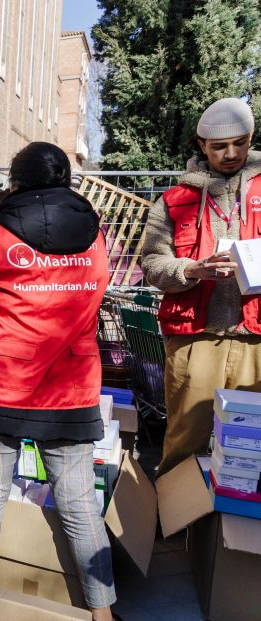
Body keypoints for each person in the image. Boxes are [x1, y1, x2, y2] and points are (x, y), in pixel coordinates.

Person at [0, 142, 115, 620]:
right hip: (69, 384)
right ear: (66, 183)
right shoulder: (95, 237)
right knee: (80, 502)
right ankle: (101, 609)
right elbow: (96, 293)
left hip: (0, 382)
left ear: (15, 183)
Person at [141, 97, 261, 477]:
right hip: (195, 338)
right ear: (200, 145)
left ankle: (233, 534)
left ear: (251, 138)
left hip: (255, 338)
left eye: (239, 143)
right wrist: (192, 270)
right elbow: (152, 265)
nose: (230, 154)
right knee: (184, 441)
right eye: (219, 146)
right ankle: (177, 527)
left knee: (249, 448)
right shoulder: (174, 201)